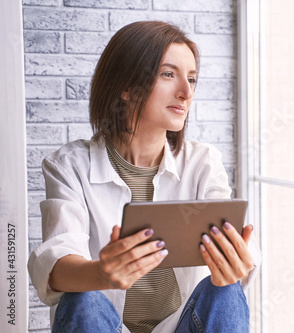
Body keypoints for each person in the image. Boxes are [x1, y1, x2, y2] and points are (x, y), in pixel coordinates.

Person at [28, 21, 261, 333]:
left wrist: (236, 263)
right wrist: (102, 273)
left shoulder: (203, 162)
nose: (186, 92)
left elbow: (239, 251)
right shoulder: (70, 165)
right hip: (102, 324)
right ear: (126, 86)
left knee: (227, 290)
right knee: (82, 298)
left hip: (180, 325)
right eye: (168, 74)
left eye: (191, 79)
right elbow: (56, 265)